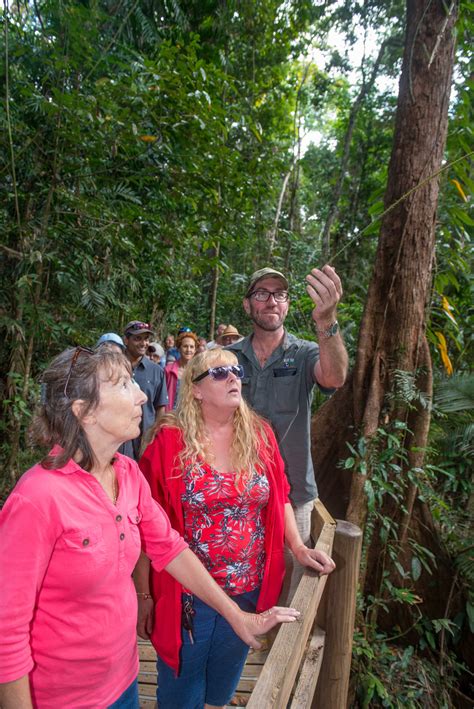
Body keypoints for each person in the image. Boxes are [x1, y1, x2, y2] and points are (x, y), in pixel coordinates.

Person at [0, 347, 299, 709]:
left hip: (124, 683)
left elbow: (169, 547)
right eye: (125, 385)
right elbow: (6, 633)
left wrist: (238, 616)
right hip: (62, 697)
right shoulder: (37, 498)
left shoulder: (126, 475)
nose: (143, 394)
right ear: (85, 411)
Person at [135, 348, 335, 709]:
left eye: (236, 370)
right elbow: (146, 529)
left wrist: (300, 548)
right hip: (187, 595)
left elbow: (282, 498)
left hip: (249, 588)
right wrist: (143, 595)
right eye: (219, 372)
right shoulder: (167, 442)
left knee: (220, 692)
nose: (232, 377)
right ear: (195, 390)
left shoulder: (260, 434)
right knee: (182, 693)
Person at [227, 265, 348, 601]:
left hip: (294, 491)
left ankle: (280, 652)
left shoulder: (305, 352)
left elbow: (335, 377)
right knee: (239, 575)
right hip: (237, 489)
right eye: (262, 293)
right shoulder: (229, 357)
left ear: (288, 304)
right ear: (247, 304)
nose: (271, 301)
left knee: (292, 578)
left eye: (279, 294)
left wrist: (326, 320)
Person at [119, 320, 168, 460]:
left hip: (144, 440)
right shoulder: (114, 367)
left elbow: (160, 408)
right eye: (137, 338)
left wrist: (154, 437)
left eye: (146, 339)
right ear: (126, 340)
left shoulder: (156, 371)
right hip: (118, 438)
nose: (143, 343)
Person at [164, 330, 198, 411]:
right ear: (178, 348)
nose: (188, 350)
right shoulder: (168, 370)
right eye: (185, 346)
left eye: (192, 347)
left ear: (195, 350)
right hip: (172, 416)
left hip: (193, 416)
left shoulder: (199, 371)